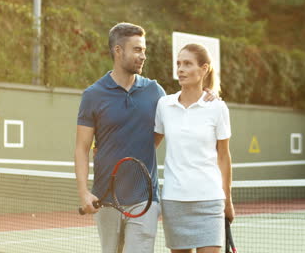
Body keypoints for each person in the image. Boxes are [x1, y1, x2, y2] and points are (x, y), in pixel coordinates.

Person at [74, 22, 216, 253]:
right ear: (118, 51)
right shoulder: (93, 95)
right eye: (137, 50)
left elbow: (181, 105)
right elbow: (81, 147)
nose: (143, 56)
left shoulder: (155, 92)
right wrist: (83, 192)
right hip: (106, 198)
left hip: (145, 199)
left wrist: (207, 93)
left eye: (144, 50)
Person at [154, 43, 235, 253]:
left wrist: (228, 201)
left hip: (210, 199)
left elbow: (224, 157)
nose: (180, 69)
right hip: (174, 200)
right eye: (179, 64)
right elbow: (150, 144)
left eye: (187, 64)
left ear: (204, 69)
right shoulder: (164, 105)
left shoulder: (217, 107)